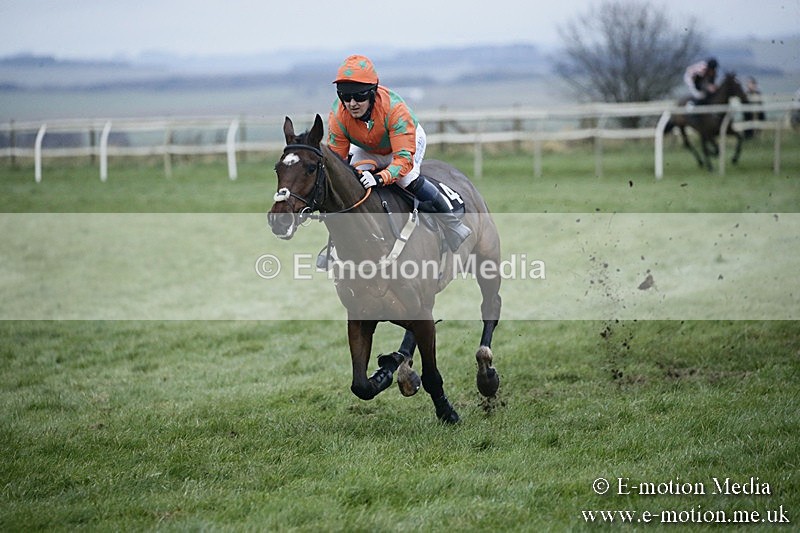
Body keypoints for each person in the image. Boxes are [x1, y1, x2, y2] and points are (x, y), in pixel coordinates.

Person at [327, 54, 471, 252]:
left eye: (359, 96)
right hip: (367, 148)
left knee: (406, 179)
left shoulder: (395, 110)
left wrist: (379, 178)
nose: (352, 103)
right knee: (350, 185)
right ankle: (334, 246)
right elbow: (337, 162)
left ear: (372, 93)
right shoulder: (338, 116)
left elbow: (402, 161)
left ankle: (453, 224)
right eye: (345, 96)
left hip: (404, 143)